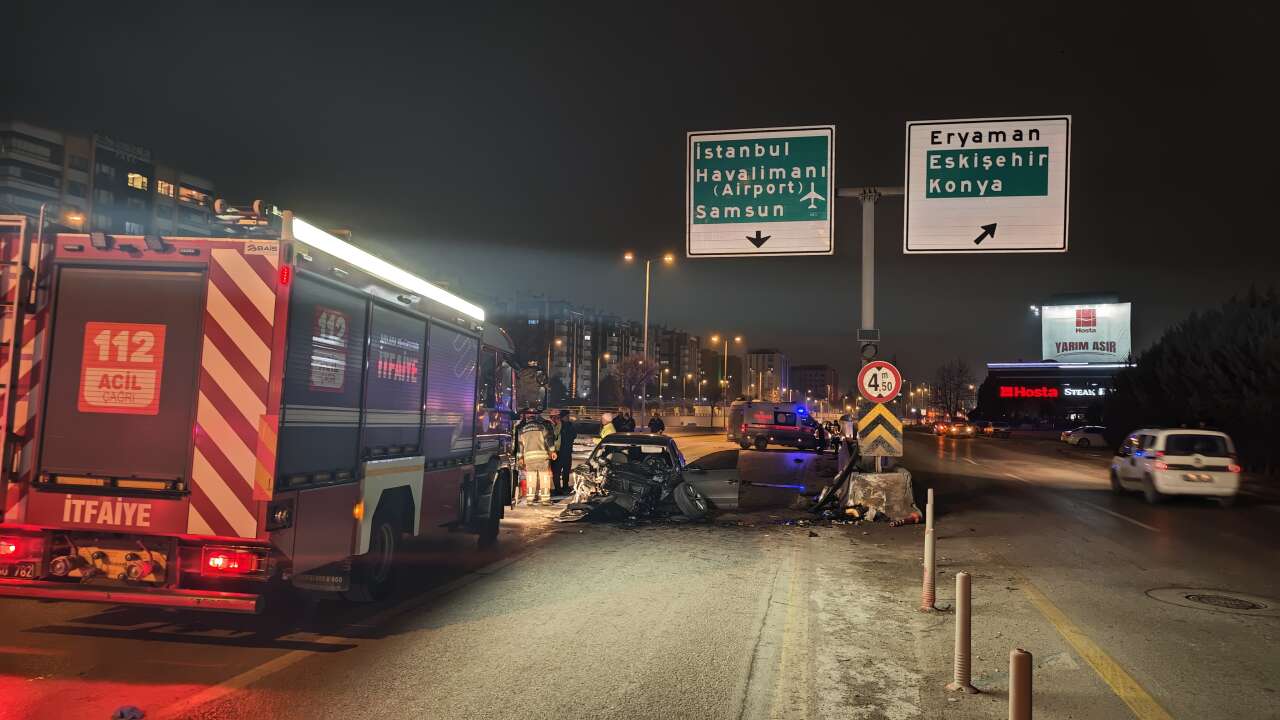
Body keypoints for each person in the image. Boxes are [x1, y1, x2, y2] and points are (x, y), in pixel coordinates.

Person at [514, 409, 556, 505]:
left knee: (531, 478)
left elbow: (520, 446)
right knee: (544, 477)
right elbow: (548, 440)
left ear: (528, 419)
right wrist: (552, 451)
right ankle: (545, 500)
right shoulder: (542, 427)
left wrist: (520, 458)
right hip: (542, 458)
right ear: (536, 418)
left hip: (529, 458)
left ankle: (530, 499)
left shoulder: (522, 430)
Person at [552, 411, 577, 495]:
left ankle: (559, 488)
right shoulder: (569, 425)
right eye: (567, 416)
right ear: (564, 417)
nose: (568, 417)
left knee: (559, 471)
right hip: (564, 452)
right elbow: (574, 435)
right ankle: (563, 487)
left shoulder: (560, 425)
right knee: (562, 471)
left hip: (561, 452)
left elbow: (554, 435)